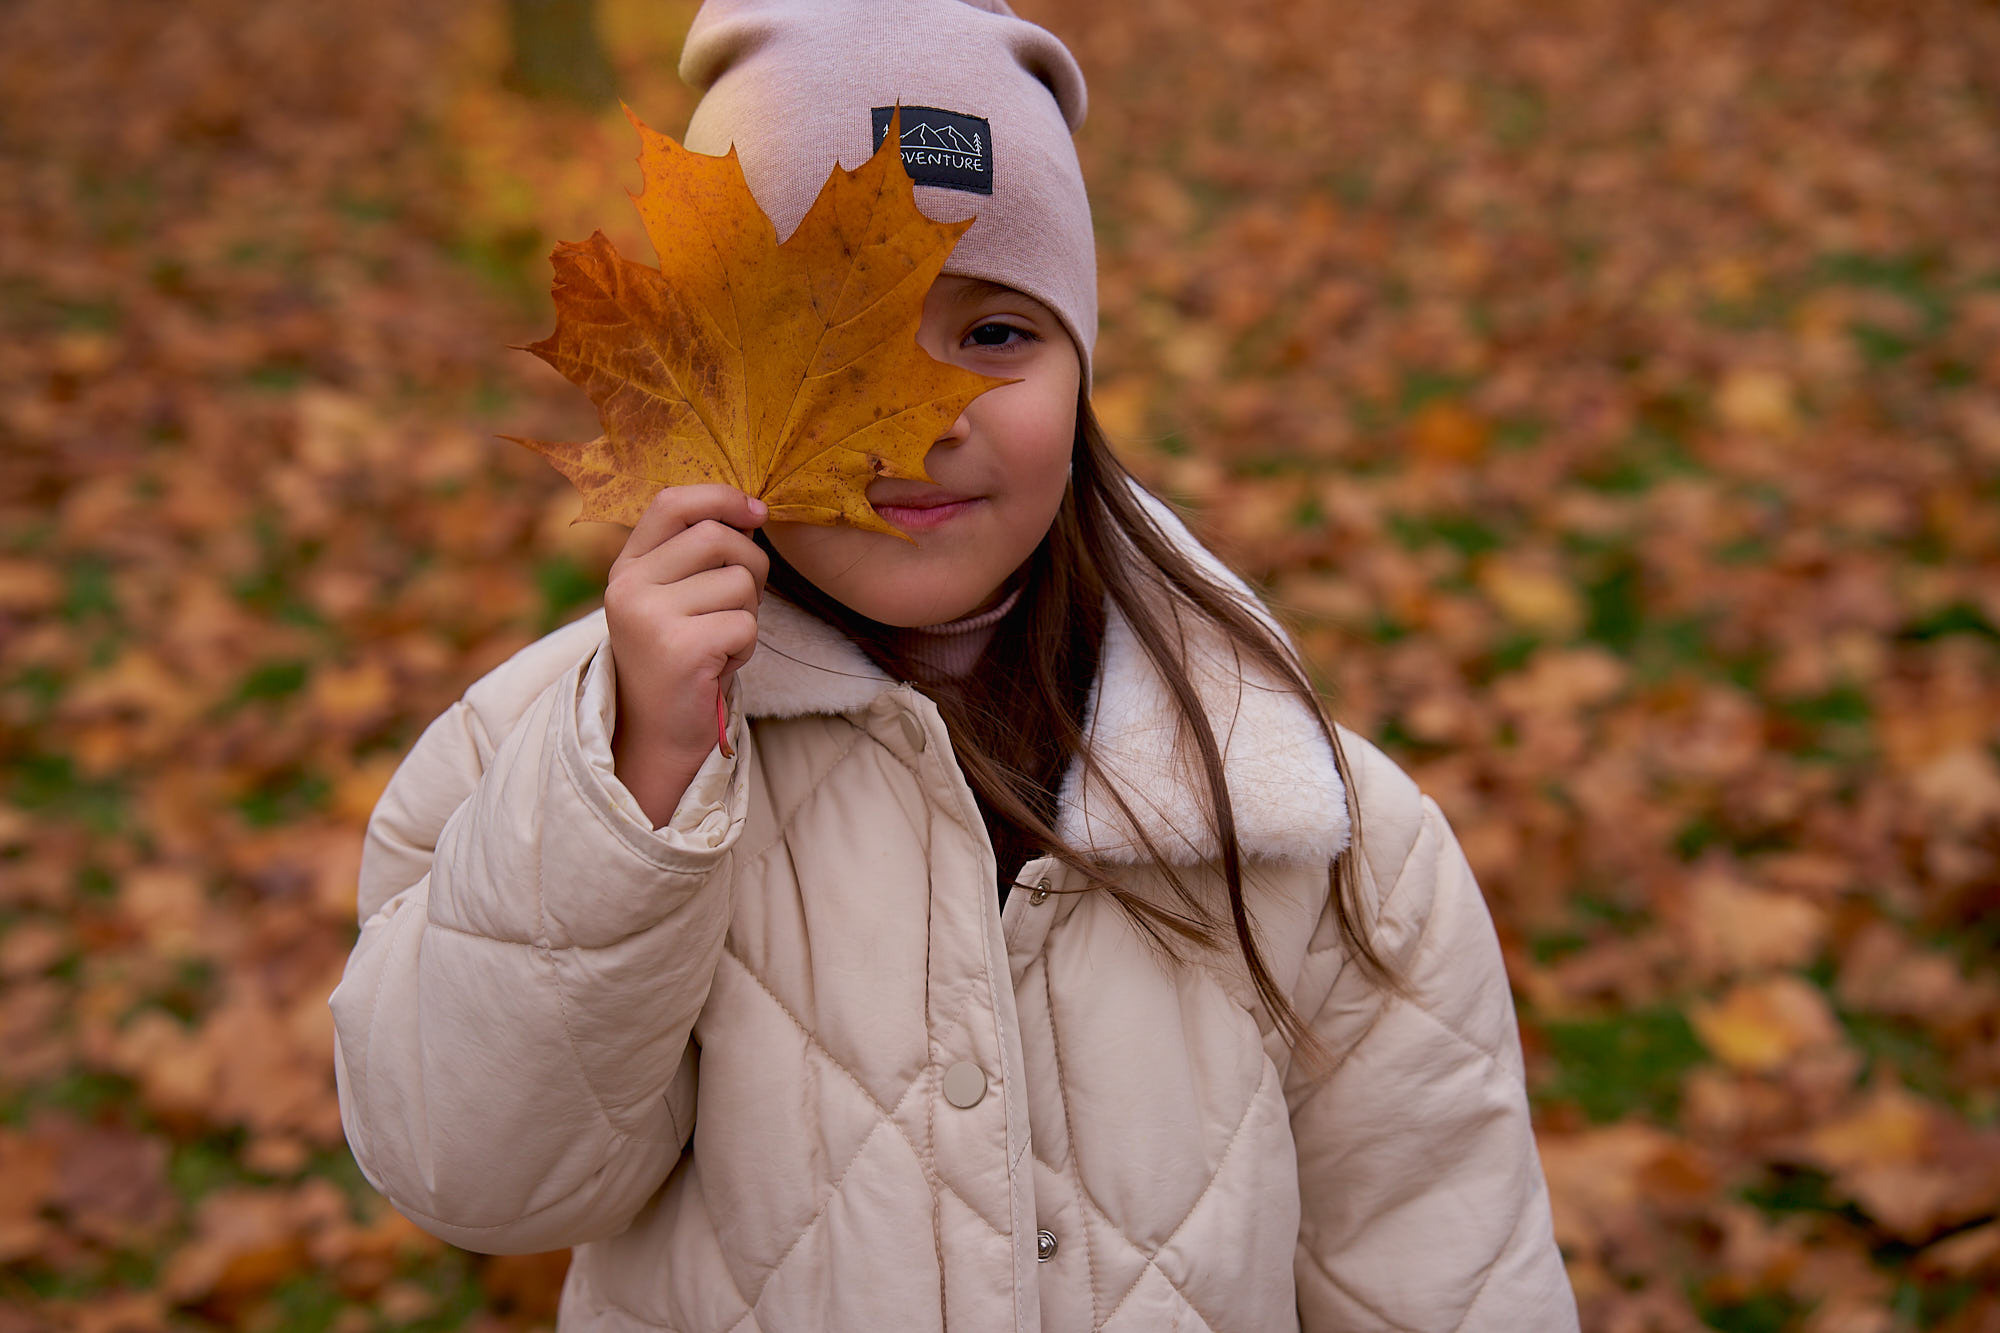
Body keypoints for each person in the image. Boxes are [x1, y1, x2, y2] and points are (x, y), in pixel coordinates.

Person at [329, 1, 1581, 1328]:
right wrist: (634, 788)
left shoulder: (1313, 830)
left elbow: (1444, 1272)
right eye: (837, 344)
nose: (924, 428)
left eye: (995, 336)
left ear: (1083, 370)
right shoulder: (555, 764)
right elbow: (478, 1176)